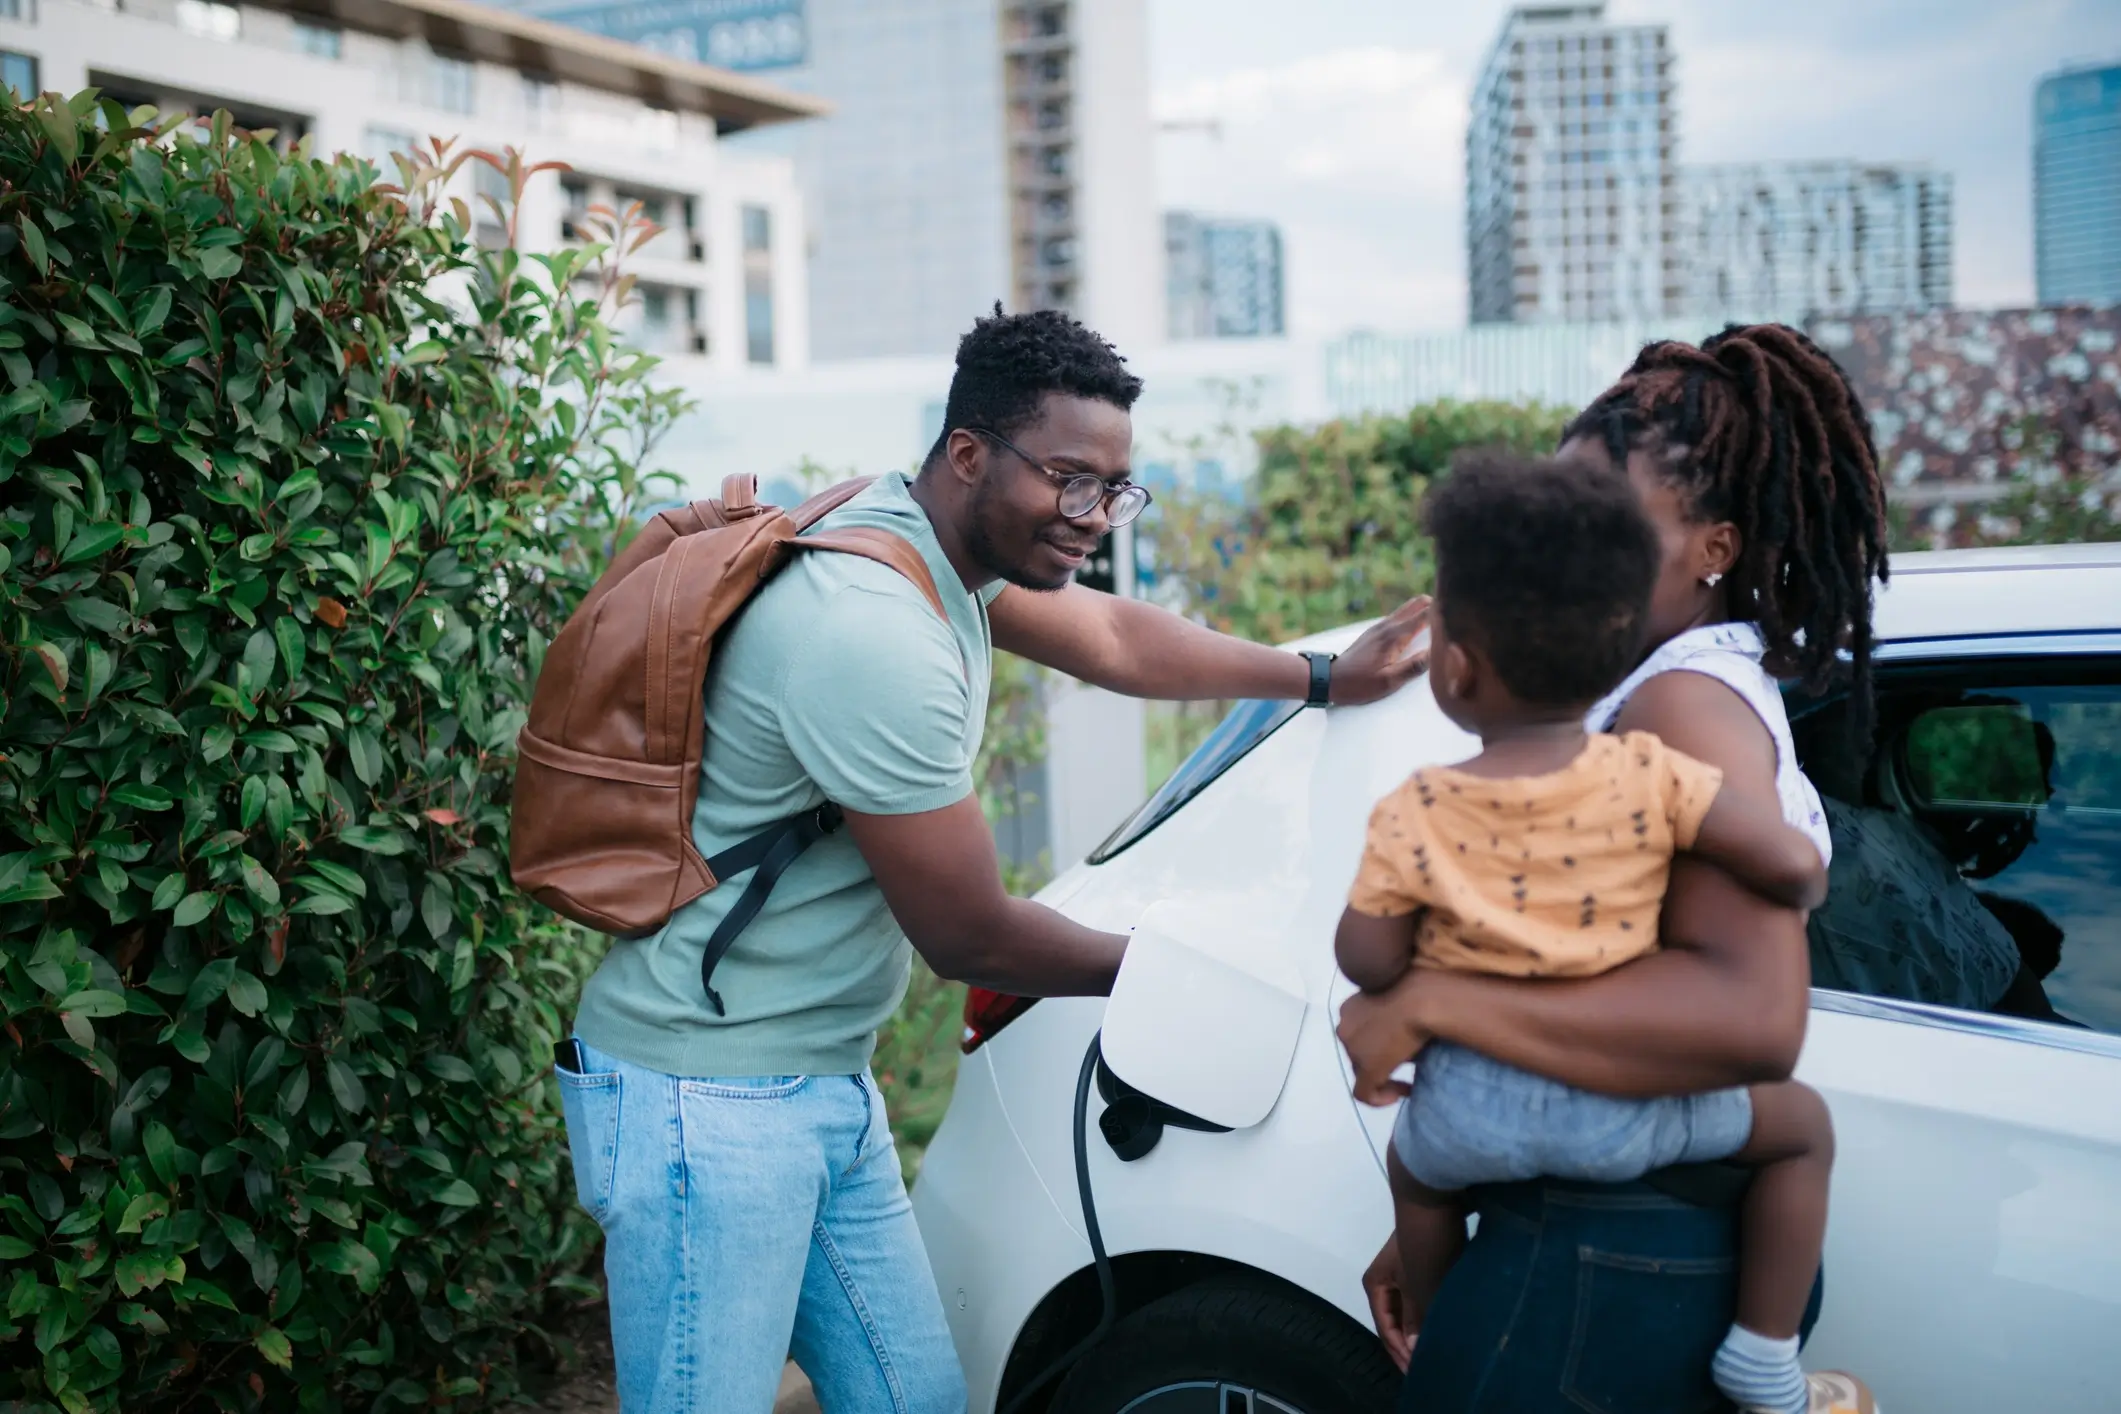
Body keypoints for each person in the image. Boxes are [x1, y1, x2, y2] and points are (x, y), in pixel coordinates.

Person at [554, 306, 1431, 1414]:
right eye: (1070, 482)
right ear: (968, 453)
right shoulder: (871, 628)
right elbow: (966, 932)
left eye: (1114, 489)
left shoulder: (933, 545)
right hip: (710, 1102)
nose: (1093, 518)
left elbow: (1114, 638)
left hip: (817, 1079)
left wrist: (1319, 675)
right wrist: (1199, 980)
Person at [1336, 323, 1890, 1414]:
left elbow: (1752, 1023)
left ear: (1713, 548)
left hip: (1607, 1243)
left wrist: (1437, 997)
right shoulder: (1626, 704)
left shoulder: (1679, 707)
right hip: (1585, 1231)